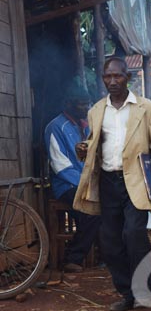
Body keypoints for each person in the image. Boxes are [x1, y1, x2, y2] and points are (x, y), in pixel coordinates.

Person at [74, 56, 151, 311]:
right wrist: (84, 147)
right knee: (109, 241)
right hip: (108, 182)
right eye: (108, 77)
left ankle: (145, 293)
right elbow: (95, 141)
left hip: (137, 182)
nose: (112, 81)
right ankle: (127, 294)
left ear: (128, 77)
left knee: (133, 235)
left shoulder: (148, 109)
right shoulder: (97, 111)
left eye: (118, 76)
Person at [44, 90, 101, 273]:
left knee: (111, 204)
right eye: (81, 104)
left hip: (85, 184)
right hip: (66, 185)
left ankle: (103, 255)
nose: (85, 108)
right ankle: (72, 258)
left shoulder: (85, 127)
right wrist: (87, 185)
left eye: (87, 104)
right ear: (68, 104)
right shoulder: (55, 127)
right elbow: (60, 166)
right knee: (91, 212)